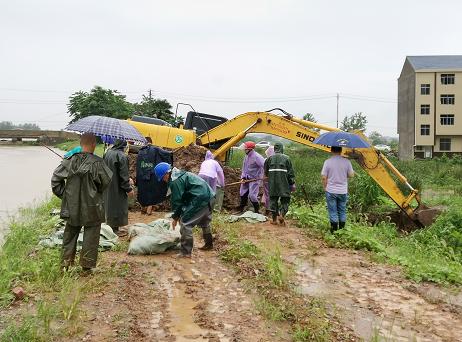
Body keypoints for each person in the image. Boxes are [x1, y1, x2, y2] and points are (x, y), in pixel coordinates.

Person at [51, 133, 113, 273]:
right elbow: (105, 183)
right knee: (91, 236)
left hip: (72, 207)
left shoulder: (69, 160)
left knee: (70, 234)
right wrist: (95, 193)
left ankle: (65, 265)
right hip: (93, 206)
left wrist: (66, 196)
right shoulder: (98, 162)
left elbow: (55, 181)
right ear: (93, 145)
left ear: (80, 144)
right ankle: (87, 267)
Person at [154, 162, 215, 257]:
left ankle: (185, 252)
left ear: (166, 174)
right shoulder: (181, 174)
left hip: (200, 199)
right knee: (204, 222)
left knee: (185, 223)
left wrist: (176, 217)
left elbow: (178, 201)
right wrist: (176, 216)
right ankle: (209, 244)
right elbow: (185, 198)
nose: (163, 180)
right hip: (209, 197)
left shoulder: (175, 181)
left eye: (162, 178)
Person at [103, 139, 134, 236]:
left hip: (107, 184)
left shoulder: (107, 153)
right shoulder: (121, 156)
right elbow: (123, 175)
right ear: (123, 146)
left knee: (109, 206)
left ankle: (110, 226)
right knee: (117, 207)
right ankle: (115, 230)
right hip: (117, 187)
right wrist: (128, 188)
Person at [321, 146, 355, 233]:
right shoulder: (347, 162)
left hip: (331, 190)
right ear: (341, 151)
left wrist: (325, 187)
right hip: (343, 191)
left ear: (331, 151)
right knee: (342, 210)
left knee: (333, 211)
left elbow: (324, 177)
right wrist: (344, 175)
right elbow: (351, 175)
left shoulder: (327, 162)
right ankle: (342, 231)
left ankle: (334, 231)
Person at [136, 136, 172, 215]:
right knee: (152, 193)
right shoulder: (156, 149)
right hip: (152, 176)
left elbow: (138, 166)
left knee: (143, 193)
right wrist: (171, 154)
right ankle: (149, 211)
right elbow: (166, 154)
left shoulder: (140, 152)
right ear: (151, 142)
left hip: (142, 176)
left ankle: (143, 209)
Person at [264, 142, 295, 225]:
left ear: (274, 149)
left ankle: (274, 220)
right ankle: (282, 215)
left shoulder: (268, 159)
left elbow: (266, 173)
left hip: (272, 185)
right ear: (282, 148)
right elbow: (290, 174)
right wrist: (292, 184)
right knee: (285, 200)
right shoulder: (287, 158)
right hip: (284, 185)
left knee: (273, 201)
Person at [237, 141, 265, 213]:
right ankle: (241, 210)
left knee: (252, 196)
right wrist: (243, 177)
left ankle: (257, 211)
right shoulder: (246, 156)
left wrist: (264, 175)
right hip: (246, 178)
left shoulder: (257, 157)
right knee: (242, 193)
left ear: (250, 149)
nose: (244, 150)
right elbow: (244, 168)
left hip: (255, 179)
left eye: (245, 149)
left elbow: (264, 166)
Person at [262, 145, 275, 214]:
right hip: (276, 180)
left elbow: (264, 171)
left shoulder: (266, 160)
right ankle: (273, 210)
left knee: (267, 194)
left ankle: (268, 210)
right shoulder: (278, 160)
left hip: (267, 179)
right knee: (273, 194)